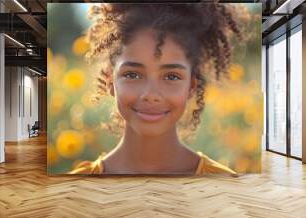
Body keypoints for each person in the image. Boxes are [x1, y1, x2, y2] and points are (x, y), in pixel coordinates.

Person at [70, 3, 241, 175]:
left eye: (171, 77)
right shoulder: (76, 188)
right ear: (110, 81)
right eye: (132, 75)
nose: (150, 95)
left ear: (191, 87)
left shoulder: (225, 183)